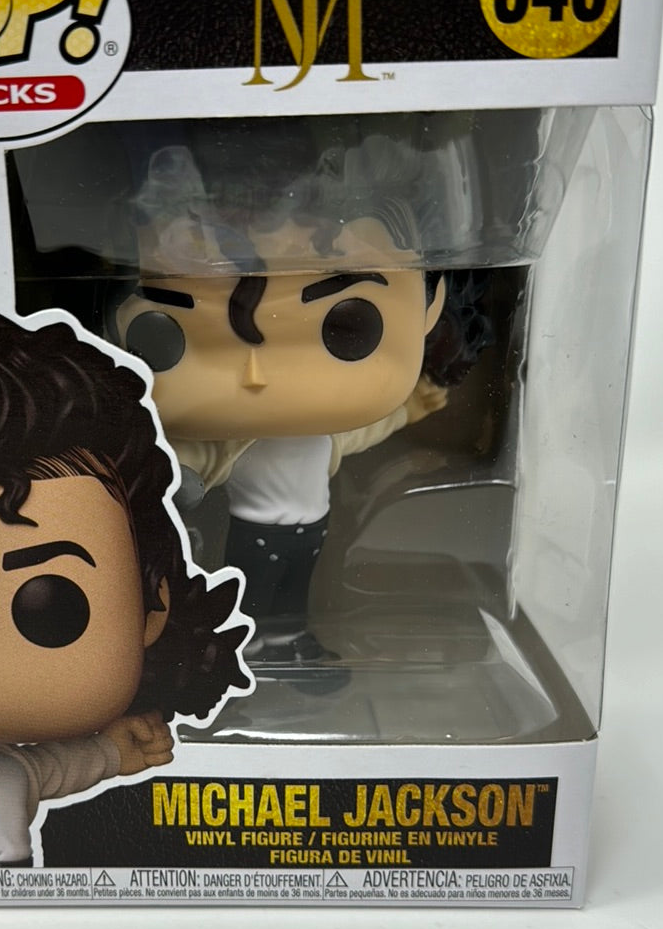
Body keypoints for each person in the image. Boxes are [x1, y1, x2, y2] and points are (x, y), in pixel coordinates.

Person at [0, 307, 250, 866]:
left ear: (151, 603)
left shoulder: (2, 766)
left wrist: (112, 753)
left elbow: (46, 769)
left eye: (48, 606)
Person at [116, 121, 490, 669]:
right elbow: (199, 458)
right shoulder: (238, 435)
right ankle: (246, 646)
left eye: (347, 328)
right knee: (249, 590)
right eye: (166, 337)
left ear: (431, 305)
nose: (257, 376)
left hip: (313, 521)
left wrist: (411, 405)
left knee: (295, 586)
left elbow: (354, 435)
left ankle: (288, 639)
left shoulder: (323, 429)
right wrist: (172, 478)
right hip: (254, 528)